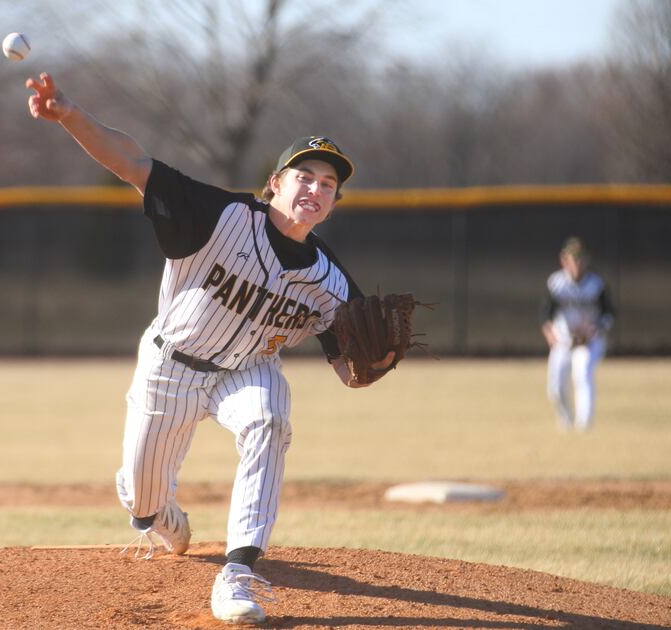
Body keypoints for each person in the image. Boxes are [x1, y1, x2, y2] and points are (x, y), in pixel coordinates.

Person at [26, 72, 395, 624]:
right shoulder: (219, 216)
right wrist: (71, 115)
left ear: (334, 203)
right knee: (142, 501)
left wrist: (373, 367)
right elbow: (133, 162)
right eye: (305, 176)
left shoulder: (332, 283)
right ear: (276, 182)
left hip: (245, 371)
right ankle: (159, 516)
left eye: (327, 185)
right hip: (170, 366)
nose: (315, 189)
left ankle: (239, 572)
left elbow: (348, 368)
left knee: (270, 418)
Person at [540, 237, 614, 431]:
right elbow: (545, 314)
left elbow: (609, 314)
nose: (578, 263)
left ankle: (584, 425)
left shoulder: (597, 284)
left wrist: (595, 330)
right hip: (564, 339)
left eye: (581, 259)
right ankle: (566, 421)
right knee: (555, 387)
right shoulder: (556, 282)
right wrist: (550, 333)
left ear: (587, 260)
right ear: (564, 259)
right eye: (574, 258)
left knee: (583, 374)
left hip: (590, 340)